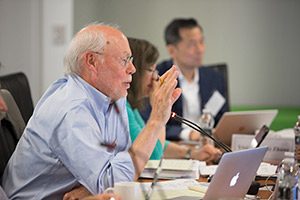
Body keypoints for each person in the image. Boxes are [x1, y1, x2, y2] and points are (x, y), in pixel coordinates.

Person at [2, 23, 181, 199]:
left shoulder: (114, 96)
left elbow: (120, 160)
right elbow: (114, 180)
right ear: (92, 61)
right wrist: (157, 119)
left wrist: (92, 188)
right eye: (124, 60)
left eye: (131, 60)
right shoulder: (71, 109)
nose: (132, 69)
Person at [62, 37, 222, 200]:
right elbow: (152, 157)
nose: (156, 77)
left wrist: (190, 153)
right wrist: (159, 111)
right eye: (151, 70)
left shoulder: (130, 107)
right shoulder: (119, 107)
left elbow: (154, 143)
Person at [140, 18, 229, 141]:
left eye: (201, 42)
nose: (200, 49)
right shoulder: (157, 77)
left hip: (209, 144)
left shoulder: (215, 77)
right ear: (172, 50)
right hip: (173, 146)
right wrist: (190, 134)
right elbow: (148, 120)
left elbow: (224, 119)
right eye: (192, 44)